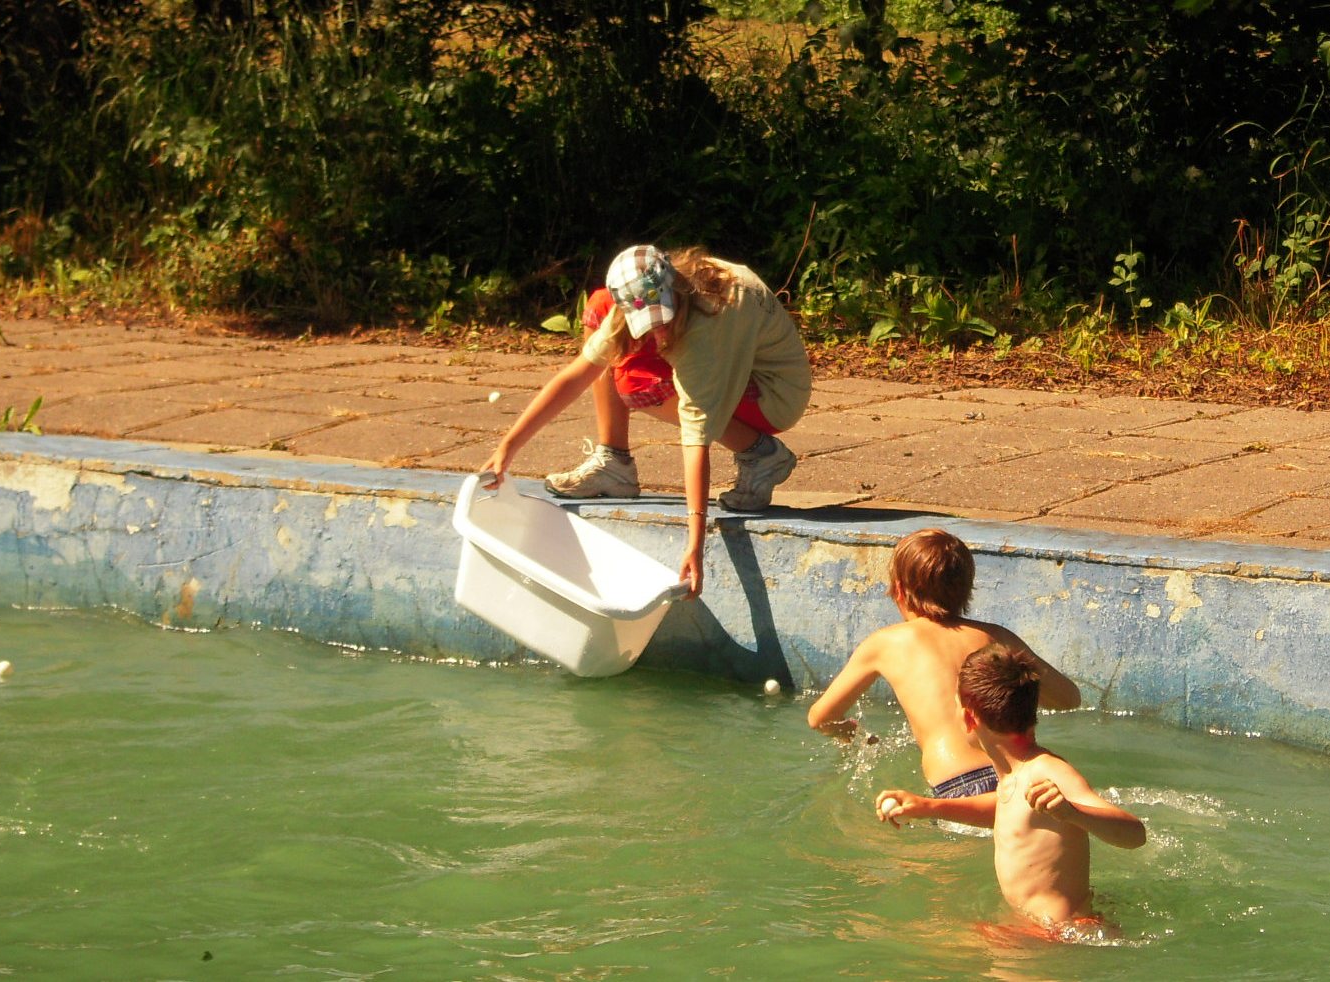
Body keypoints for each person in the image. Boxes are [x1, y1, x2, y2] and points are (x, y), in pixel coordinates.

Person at [480, 245, 812, 597]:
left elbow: (695, 439)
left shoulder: (708, 323)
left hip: (772, 396)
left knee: (636, 383)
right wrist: (507, 448)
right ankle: (614, 462)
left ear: (676, 288)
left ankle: (760, 454)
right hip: (737, 365)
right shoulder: (664, 289)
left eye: (663, 318)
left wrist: (695, 544)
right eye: (650, 323)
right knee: (600, 307)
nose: (660, 333)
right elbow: (577, 376)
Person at [807, 528, 1079, 818]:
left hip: (960, 786)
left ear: (898, 589)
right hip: (1027, 777)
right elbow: (1069, 699)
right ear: (967, 588)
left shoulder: (884, 643)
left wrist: (856, 736)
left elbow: (820, 718)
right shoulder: (995, 637)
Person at [876, 644, 1146, 936]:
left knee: (931, 937)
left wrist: (1072, 812)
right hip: (1037, 929)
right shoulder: (1017, 774)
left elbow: (1135, 834)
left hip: (1061, 935)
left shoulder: (1048, 771)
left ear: (969, 719)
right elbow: (1010, 810)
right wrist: (928, 806)